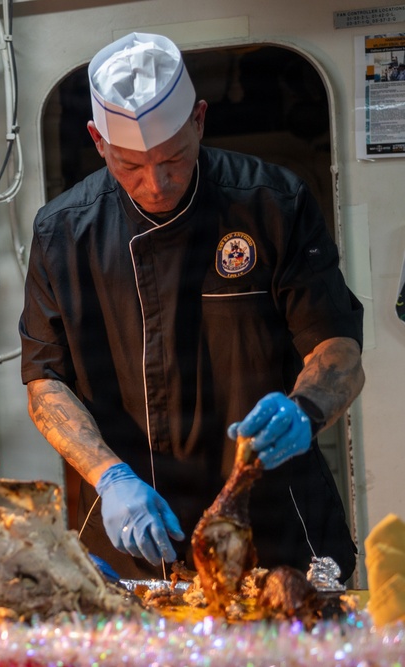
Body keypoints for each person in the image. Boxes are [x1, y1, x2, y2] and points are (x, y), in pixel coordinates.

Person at [19, 33, 365, 582]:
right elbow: (44, 381)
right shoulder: (62, 233)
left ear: (199, 120)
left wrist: (307, 409)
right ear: (98, 141)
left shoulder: (273, 202)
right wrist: (108, 477)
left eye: (174, 158)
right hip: (138, 534)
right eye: (130, 166)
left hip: (278, 523)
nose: (155, 183)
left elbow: (339, 347)